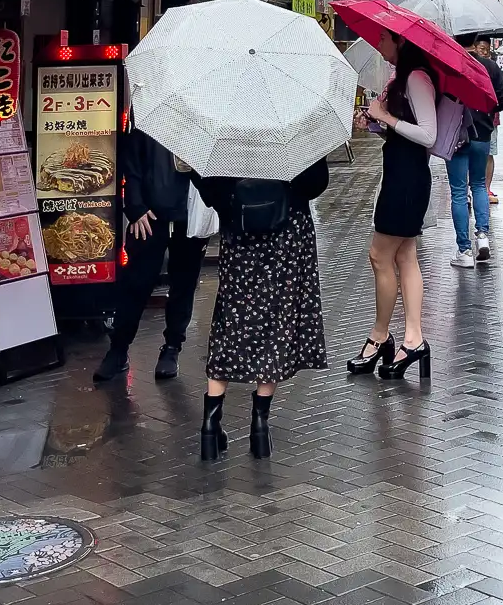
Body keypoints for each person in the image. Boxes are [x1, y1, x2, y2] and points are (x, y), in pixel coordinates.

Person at [191, 158, 330, 461]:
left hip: (238, 233)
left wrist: (229, 202)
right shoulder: (296, 122)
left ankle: (210, 426)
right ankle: (259, 425)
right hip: (288, 233)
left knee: (230, 323)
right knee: (277, 325)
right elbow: (316, 182)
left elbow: (206, 184)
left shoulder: (225, 124)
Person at [347, 33, 438, 380]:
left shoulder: (417, 78)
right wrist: (374, 124)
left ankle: (380, 336)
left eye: (383, 39)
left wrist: (385, 115)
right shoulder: (401, 79)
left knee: (379, 255)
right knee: (404, 256)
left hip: (407, 181)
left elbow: (428, 135)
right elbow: (403, 134)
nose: (378, 44)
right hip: (401, 174)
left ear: (400, 42)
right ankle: (412, 339)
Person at [94, 122, 207, 384]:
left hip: (191, 217)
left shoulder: (204, 125)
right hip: (148, 217)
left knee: (184, 284)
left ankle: (172, 348)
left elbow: (216, 176)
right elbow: (130, 168)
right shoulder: (151, 120)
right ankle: (118, 350)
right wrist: (135, 207)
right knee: (135, 284)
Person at [448, 34, 503, 267]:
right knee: (479, 185)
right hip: (482, 133)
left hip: (455, 136)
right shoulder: (490, 67)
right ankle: (482, 237)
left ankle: (464, 250)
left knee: (458, 191)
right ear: (475, 42)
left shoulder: (450, 65)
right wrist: (485, 109)